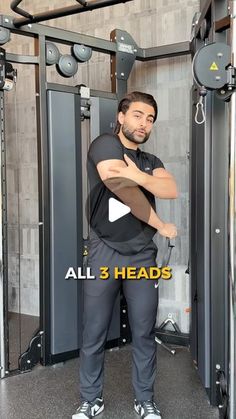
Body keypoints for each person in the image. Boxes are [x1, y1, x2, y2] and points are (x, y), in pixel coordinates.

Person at [73, 91, 178, 419]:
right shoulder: (104, 144)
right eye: (137, 115)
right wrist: (160, 222)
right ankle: (91, 400)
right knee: (94, 330)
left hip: (142, 256)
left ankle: (144, 400)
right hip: (104, 251)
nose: (144, 123)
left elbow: (170, 188)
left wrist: (138, 174)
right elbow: (118, 184)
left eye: (150, 119)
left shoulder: (152, 161)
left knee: (144, 331)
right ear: (121, 117)